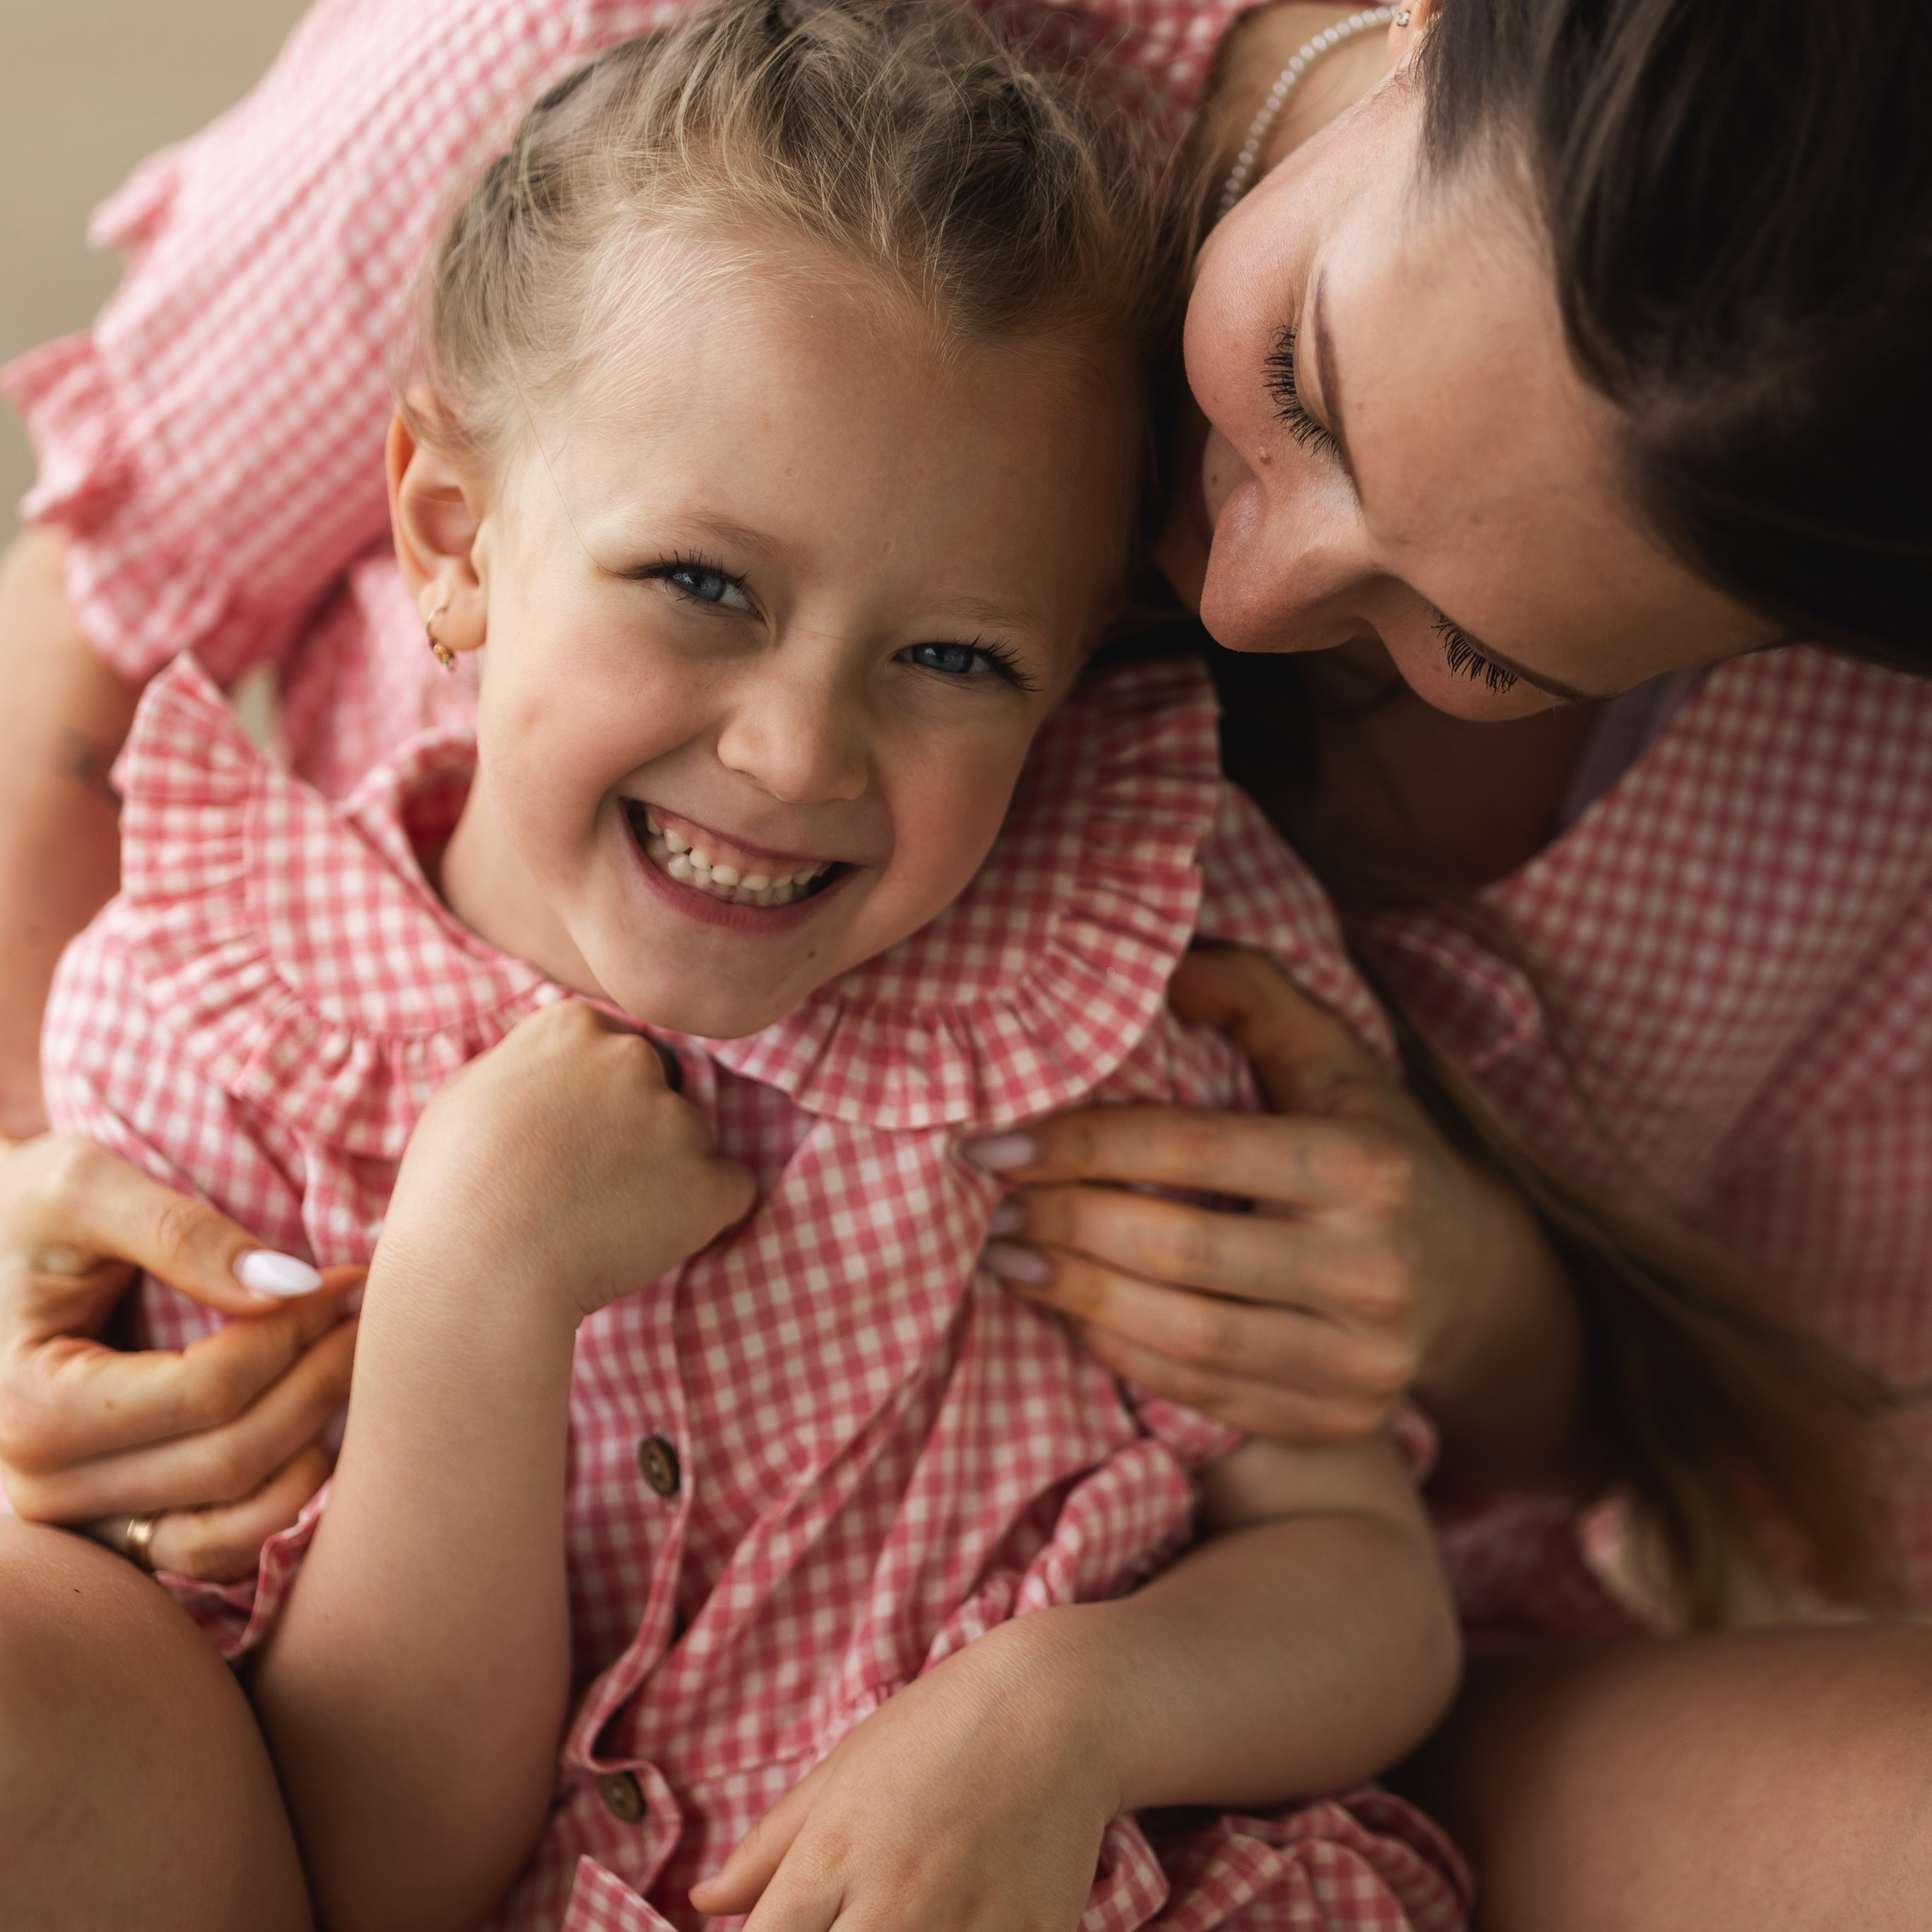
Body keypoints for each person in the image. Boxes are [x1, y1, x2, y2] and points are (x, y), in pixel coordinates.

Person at [0, 0, 1927, 1924]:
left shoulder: (1134, 970)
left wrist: (1455, 1300)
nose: (1242, 601)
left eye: (1481, 643)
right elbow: (81, 630)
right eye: (1298, 379)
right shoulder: (233, 1008)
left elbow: (1730, 1485)